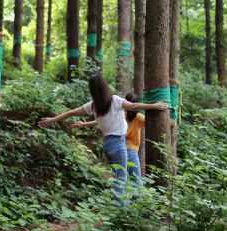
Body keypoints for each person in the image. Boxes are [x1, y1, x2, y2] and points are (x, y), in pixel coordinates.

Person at [39, 74, 167, 202]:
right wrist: (154, 106)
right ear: (105, 86)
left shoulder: (93, 106)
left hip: (108, 145)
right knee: (120, 182)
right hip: (118, 144)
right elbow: (133, 106)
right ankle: (120, 213)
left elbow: (71, 112)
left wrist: (52, 120)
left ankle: (122, 211)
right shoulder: (115, 100)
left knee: (119, 179)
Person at [73, 92, 147, 186]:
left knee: (120, 179)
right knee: (136, 180)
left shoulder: (121, 114)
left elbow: (99, 121)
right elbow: (151, 122)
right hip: (131, 150)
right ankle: (139, 200)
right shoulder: (138, 116)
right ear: (135, 103)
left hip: (119, 148)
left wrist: (84, 124)